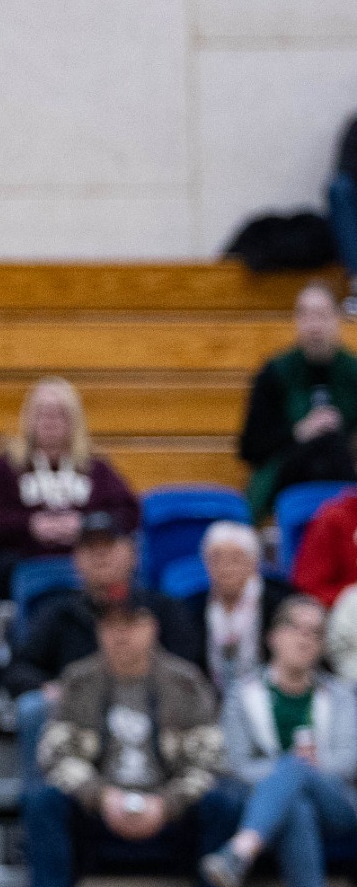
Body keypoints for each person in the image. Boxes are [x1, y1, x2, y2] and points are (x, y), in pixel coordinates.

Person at [27, 595, 236, 887]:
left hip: (170, 815)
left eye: (131, 625)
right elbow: (56, 755)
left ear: (151, 628)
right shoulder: (79, 680)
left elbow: (209, 761)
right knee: (42, 802)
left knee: (224, 804)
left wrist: (167, 805)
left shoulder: (185, 681)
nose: (121, 636)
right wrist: (100, 797)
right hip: (97, 816)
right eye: (111, 627)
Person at [5, 513, 201, 789]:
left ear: (132, 553)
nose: (100, 555)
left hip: (154, 711)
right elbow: (17, 669)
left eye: (108, 545)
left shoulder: (162, 610)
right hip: (78, 720)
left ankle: (177, 799)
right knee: (33, 708)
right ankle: (43, 800)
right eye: (89, 548)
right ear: (76, 560)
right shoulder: (58, 613)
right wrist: (48, 687)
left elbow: (189, 668)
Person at [205, 595, 348, 887]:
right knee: (295, 805)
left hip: (338, 806)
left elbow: (348, 760)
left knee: (296, 769)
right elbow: (234, 764)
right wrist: (286, 774)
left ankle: (239, 852)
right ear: (273, 636)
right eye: (296, 629)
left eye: (315, 633)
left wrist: (298, 770)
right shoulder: (242, 695)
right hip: (276, 810)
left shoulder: (343, 696)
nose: (305, 640)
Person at [0, 376, 139, 599]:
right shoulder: (5, 467)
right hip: (26, 561)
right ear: (29, 418)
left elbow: (128, 512)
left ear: (73, 420)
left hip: (87, 564)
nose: (50, 421)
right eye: (43, 413)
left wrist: (84, 525)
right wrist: (30, 525)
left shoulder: (95, 468)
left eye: (59, 413)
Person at [238, 282, 357, 518]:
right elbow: (250, 447)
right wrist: (300, 432)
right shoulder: (275, 372)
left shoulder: (352, 372)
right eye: (306, 315)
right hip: (287, 476)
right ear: (297, 321)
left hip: (343, 473)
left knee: (332, 448)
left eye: (321, 315)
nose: (314, 326)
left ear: (337, 319)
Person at [185, 520, 295, 691]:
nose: (225, 567)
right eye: (217, 558)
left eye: (235, 558)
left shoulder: (281, 602)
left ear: (254, 563)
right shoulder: (193, 606)